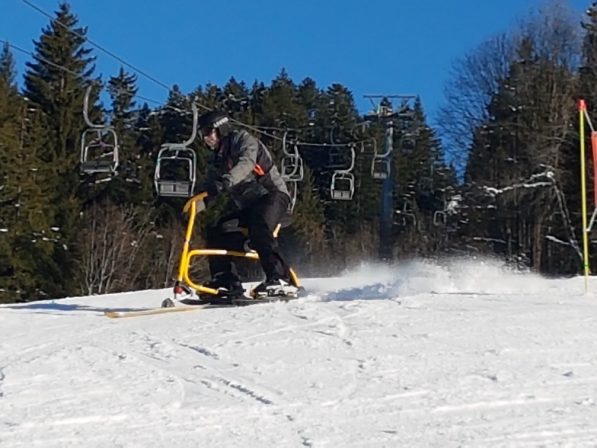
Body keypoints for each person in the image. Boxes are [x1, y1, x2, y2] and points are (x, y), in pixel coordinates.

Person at [193, 110, 297, 299]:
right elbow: (209, 189)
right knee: (218, 230)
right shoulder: (217, 158)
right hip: (249, 206)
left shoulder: (243, 140)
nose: (206, 138)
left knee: (259, 224)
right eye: (202, 134)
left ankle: (280, 279)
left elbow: (246, 163)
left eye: (208, 132)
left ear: (221, 128)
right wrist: (195, 206)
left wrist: (226, 180)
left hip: (273, 196)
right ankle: (225, 280)